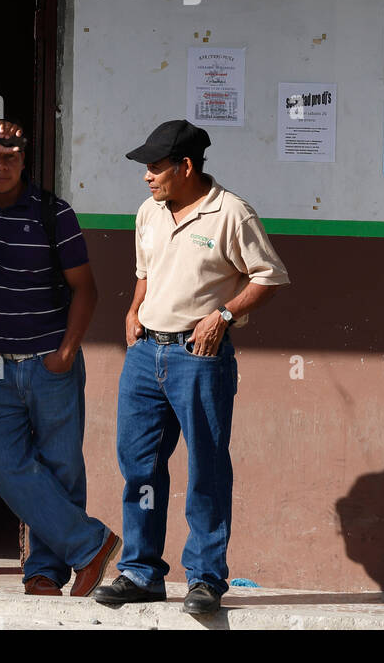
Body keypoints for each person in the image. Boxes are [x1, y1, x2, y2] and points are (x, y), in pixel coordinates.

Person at [94, 119, 290, 615]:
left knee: (205, 467)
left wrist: (223, 316)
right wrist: (133, 311)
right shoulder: (148, 212)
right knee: (138, 466)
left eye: (156, 167)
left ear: (185, 167)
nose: (147, 177)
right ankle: (140, 571)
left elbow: (268, 276)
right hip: (144, 355)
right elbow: (144, 272)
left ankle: (205, 578)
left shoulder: (232, 213)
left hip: (199, 358)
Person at [0, 118, 119, 597]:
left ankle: (45, 571)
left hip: (50, 359)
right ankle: (90, 545)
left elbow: (85, 288)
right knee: (3, 464)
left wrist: (65, 353)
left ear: (25, 161)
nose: (0, 166)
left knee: (61, 467)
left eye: (10, 157)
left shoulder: (52, 212)